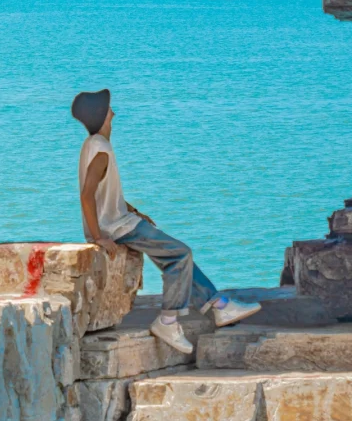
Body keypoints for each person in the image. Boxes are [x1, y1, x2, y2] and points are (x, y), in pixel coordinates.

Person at [71, 87, 260, 354]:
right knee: (180, 255)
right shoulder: (101, 150)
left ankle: (219, 306)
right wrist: (98, 236)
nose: (113, 111)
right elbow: (87, 196)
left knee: (175, 257)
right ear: (102, 115)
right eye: (109, 108)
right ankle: (168, 320)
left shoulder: (93, 145)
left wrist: (134, 210)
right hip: (117, 227)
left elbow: (104, 193)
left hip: (122, 220)